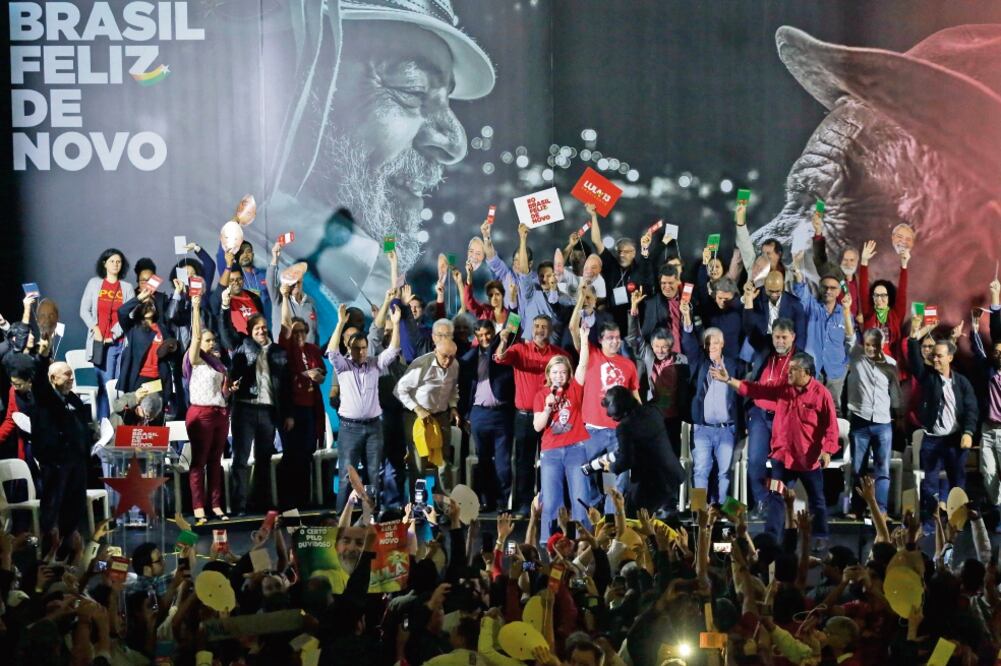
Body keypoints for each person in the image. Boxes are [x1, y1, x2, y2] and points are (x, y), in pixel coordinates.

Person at [262, 0, 495, 306]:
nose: (456, 143)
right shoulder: (255, 277)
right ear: (298, 81)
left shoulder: (355, 280)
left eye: (446, 98)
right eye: (412, 88)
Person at [711, 352, 839, 546]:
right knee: (775, 497)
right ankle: (771, 537)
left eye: (793, 369)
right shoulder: (783, 389)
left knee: (817, 500)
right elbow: (756, 390)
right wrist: (728, 379)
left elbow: (831, 426)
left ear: (806, 373)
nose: (788, 372)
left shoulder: (822, 394)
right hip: (782, 457)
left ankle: (819, 537)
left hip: (808, 459)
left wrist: (827, 451)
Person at [570, 286, 641, 512]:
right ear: (600, 340)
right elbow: (574, 328)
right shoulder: (590, 355)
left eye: (618, 338)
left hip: (620, 430)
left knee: (620, 477)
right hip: (593, 429)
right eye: (610, 338)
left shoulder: (628, 365)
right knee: (584, 469)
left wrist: (641, 421)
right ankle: (594, 506)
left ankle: (612, 520)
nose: (614, 342)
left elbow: (635, 395)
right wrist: (582, 300)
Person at [328, 302, 402, 511]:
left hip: (373, 428)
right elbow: (332, 351)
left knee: (373, 476)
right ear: (349, 349)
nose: (361, 351)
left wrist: (396, 324)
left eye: (363, 348)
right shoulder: (342, 366)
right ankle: (342, 523)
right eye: (356, 348)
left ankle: (371, 521)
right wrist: (340, 323)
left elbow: (393, 349)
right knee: (345, 476)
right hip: (349, 429)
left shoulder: (374, 364)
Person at [222, 294, 291, 515]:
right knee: (241, 459)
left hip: (269, 412)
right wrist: (225, 306)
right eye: (256, 329)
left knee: (264, 459)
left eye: (263, 327)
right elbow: (226, 330)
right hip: (245, 408)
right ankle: (239, 506)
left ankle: (260, 503)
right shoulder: (243, 345)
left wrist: (288, 414)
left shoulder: (279, 352)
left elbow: (286, 386)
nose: (261, 331)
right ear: (250, 332)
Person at [494, 314, 567, 518]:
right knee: (524, 462)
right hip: (525, 416)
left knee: (551, 461)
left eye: (544, 326)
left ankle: (550, 502)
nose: (540, 329)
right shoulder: (519, 350)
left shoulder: (559, 356)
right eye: (536, 326)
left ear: (550, 330)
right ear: (531, 329)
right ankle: (524, 505)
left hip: (551, 418)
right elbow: (500, 358)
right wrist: (503, 340)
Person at [908, 328, 978, 523]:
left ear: (950, 358)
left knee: (957, 482)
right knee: (930, 484)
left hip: (955, 440)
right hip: (932, 439)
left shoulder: (962, 383)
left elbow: (972, 409)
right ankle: (931, 524)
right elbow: (915, 362)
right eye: (933, 356)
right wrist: (914, 338)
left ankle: (957, 521)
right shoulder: (929, 378)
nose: (935, 359)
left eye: (939, 356)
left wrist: (968, 432)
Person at [681, 303, 741, 505]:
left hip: (726, 429)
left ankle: (722, 509)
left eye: (715, 343)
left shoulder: (734, 365)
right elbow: (689, 343)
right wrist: (687, 318)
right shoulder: (700, 362)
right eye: (707, 344)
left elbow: (741, 393)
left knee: (724, 472)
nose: (711, 347)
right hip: (702, 430)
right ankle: (699, 510)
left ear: (722, 344)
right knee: (700, 470)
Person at [394, 320, 461, 495]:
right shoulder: (421, 365)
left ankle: (442, 505)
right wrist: (417, 409)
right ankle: (418, 507)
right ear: (435, 351)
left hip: (441, 416)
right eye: (444, 356)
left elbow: (453, 388)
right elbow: (399, 390)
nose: (447, 361)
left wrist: (453, 406)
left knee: (443, 463)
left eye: (451, 357)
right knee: (419, 463)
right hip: (416, 417)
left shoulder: (454, 365)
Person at [276, 284, 327, 511]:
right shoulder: (287, 349)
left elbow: (323, 373)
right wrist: (285, 298)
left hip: (310, 408)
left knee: (307, 453)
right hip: (292, 408)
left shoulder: (313, 350)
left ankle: (305, 501)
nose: (298, 335)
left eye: (302, 332)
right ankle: (289, 502)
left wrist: (318, 377)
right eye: (295, 332)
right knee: (291, 456)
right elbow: (285, 324)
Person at [32, 359, 92, 549]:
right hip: (56, 465)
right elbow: (39, 380)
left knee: (74, 508)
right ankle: (50, 552)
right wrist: (43, 355)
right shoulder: (45, 400)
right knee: (53, 510)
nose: (71, 378)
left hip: (77, 463)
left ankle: (69, 550)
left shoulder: (73, 399)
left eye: (71, 374)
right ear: (52, 378)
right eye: (66, 374)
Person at [533, 345, 590, 544]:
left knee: (580, 498)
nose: (559, 376)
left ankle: (584, 541)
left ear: (568, 374)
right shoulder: (541, 395)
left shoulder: (574, 388)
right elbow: (537, 426)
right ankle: (546, 542)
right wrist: (548, 408)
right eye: (555, 372)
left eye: (563, 372)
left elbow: (583, 364)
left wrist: (583, 338)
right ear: (549, 374)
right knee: (550, 501)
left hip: (576, 448)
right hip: (551, 452)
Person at [183, 293, 230, 525]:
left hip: (220, 413)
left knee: (215, 461)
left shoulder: (218, 363)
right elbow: (195, 336)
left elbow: (221, 391)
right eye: (207, 340)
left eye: (213, 340)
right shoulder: (196, 359)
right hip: (201, 414)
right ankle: (199, 507)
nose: (211, 343)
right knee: (198, 462)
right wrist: (196, 307)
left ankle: (216, 505)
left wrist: (230, 388)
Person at [601, 386, 685, 516]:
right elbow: (645, 442)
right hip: (673, 475)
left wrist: (611, 467)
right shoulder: (653, 411)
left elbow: (626, 461)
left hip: (651, 482)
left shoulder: (625, 427)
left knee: (633, 518)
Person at [846, 322, 901, 518]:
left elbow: (895, 394)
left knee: (882, 468)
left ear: (882, 345)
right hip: (860, 422)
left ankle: (881, 510)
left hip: (883, 423)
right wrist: (846, 311)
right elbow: (849, 337)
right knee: (858, 468)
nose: (870, 348)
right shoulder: (857, 358)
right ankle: (857, 508)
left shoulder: (891, 364)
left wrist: (898, 417)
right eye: (868, 344)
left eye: (875, 345)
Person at [628, 287, 689, 461]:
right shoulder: (648, 355)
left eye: (664, 347)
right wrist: (634, 311)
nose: (660, 350)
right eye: (657, 346)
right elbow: (634, 339)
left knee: (671, 458)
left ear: (670, 346)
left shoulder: (681, 360)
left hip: (673, 417)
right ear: (652, 346)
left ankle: (671, 488)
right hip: (652, 416)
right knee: (650, 458)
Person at [458, 319, 514, 513]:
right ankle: (486, 501)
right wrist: (465, 414)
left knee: (503, 462)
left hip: (502, 414)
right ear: (476, 336)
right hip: (479, 414)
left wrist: (513, 302)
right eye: (480, 335)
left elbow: (514, 322)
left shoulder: (504, 351)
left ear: (493, 331)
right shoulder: (469, 358)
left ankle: (503, 502)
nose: (484, 338)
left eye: (488, 333)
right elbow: (464, 388)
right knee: (483, 461)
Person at [80, 248, 135, 419]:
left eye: (118, 261)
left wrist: (114, 334)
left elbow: (130, 314)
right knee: (103, 386)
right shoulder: (94, 284)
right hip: (97, 343)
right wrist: (96, 329)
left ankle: (113, 422)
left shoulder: (126, 287)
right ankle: (105, 424)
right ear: (104, 263)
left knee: (113, 385)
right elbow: (84, 310)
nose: (115, 264)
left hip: (117, 343)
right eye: (112, 261)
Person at [792, 268, 852, 413]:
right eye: (825, 287)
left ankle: (834, 436)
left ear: (839, 291)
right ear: (820, 288)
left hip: (836, 370)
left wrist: (846, 311)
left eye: (833, 288)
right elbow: (801, 292)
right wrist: (798, 273)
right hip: (813, 369)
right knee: (810, 408)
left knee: (834, 409)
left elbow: (850, 338)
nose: (828, 291)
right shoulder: (812, 307)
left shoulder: (844, 311)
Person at [116, 286, 178, 419]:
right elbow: (121, 312)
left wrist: (171, 347)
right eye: (145, 304)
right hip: (140, 379)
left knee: (156, 416)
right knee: (138, 415)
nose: (149, 306)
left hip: (158, 379)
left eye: (151, 304)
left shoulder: (162, 327)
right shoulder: (133, 327)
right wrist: (139, 298)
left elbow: (170, 351)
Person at [975, 279, 1001, 529]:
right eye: (997, 351)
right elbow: (996, 332)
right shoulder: (990, 370)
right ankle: (997, 508)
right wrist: (995, 298)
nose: (999, 353)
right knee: (989, 473)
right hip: (988, 428)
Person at [859, 240, 909, 363]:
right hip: (870, 363)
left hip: (890, 364)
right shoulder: (869, 313)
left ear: (889, 297)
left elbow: (902, 292)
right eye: (876, 295)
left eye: (883, 295)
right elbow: (863, 290)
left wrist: (904, 265)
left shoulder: (896, 315)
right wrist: (864, 262)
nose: (879, 299)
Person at [268, 240, 319, 344]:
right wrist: (275, 259)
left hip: (308, 355)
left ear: (302, 279)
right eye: (292, 282)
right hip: (286, 355)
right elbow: (270, 282)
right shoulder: (279, 299)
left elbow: (314, 332)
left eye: (297, 281)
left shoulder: (310, 302)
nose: (295, 284)